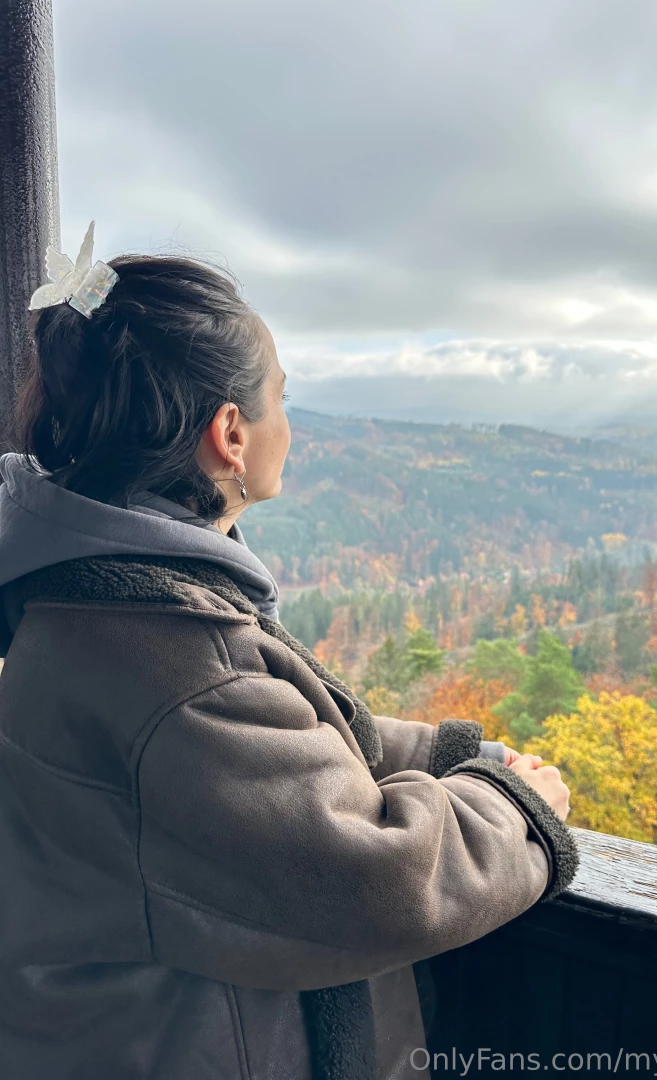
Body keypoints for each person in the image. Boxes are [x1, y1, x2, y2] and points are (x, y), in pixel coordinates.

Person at [0, 229, 578, 1080]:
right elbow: (372, 882)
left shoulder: (83, 603)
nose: (290, 424)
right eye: (281, 396)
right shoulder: (174, 666)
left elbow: (277, 745)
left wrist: (455, 756)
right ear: (230, 433)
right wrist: (515, 806)